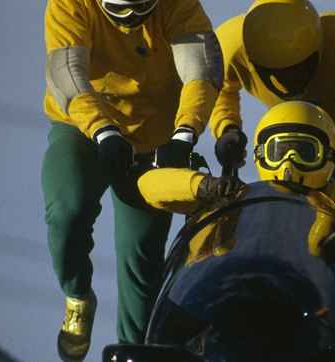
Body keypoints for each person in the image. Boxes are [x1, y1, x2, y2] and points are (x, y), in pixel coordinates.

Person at [42, 0, 222, 359]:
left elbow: (200, 67)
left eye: (141, 7)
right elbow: (67, 73)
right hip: (84, 126)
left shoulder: (178, 5)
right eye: (119, 8)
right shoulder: (70, 5)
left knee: (141, 261)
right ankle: (78, 295)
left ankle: (134, 350)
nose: (130, 18)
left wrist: (185, 133)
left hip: (152, 135)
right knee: (67, 209)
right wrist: (103, 130)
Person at [138, 101, 335, 254]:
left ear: (329, 156)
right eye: (279, 151)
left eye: (305, 151)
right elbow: (148, 186)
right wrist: (206, 186)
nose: (289, 163)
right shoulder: (236, 195)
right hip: (245, 294)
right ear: (260, 155)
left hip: (321, 300)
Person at [208, 0, 335, 180]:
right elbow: (218, 88)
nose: (289, 83)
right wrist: (227, 128)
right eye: (278, 74)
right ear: (251, 58)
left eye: (298, 71)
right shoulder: (229, 46)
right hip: (291, 129)